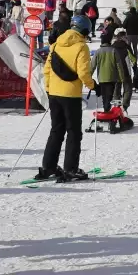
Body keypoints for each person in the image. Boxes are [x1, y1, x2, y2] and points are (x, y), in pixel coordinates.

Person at [37, 16, 96, 182]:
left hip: (54, 94)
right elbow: (83, 73)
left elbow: (47, 70)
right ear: (85, 31)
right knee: (74, 133)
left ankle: (48, 167)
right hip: (71, 95)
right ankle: (71, 168)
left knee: (56, 130)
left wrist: (49, 89)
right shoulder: (81, 47)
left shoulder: (55, 45)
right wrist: (93, 86)